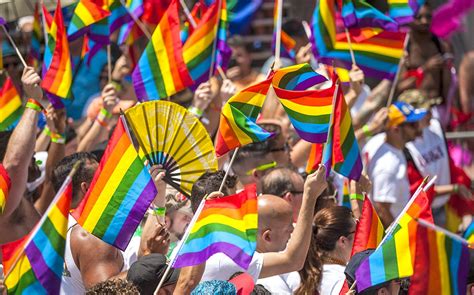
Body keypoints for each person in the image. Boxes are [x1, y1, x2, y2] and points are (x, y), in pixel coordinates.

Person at [174, 165, 327, 294]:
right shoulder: (224, 256)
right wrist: (310, 196)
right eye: (236, 202)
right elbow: (292, 260)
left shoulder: (186, 245)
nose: (243, 209)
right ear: (217, 209)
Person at [400, 90, 473, 225]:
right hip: (423, 213)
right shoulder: (405, 146)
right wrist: (455, 188)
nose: (431, 114)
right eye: (426, 112)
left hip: (446, 204)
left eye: (430, 109)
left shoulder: (436, 126)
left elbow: (448, 163)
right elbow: (417, 190)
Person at [365, 101, 427, 227]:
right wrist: (396, 236)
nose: (418, 129)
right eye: (413, 125)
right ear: (395, 129)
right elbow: (381, 207)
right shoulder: (389, 164)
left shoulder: (377, 142)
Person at [296, 206, 356, 295]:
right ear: (342, 241)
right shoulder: (342, 279)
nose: (360, 235)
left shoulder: (307, 270)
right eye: (357, 230)